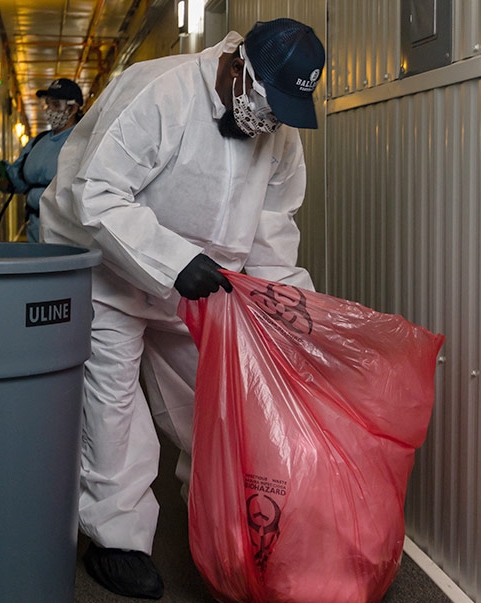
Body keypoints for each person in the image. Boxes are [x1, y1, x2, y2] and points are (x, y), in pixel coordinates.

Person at [40, 18, 325, 599]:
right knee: (112, 403)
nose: (268, 125)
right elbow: (97, 194)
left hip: (202, 285)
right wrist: (172, 260)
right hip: (107, 268)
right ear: (235, 66)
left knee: (213, 403)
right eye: (267, 108)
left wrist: (288, 306)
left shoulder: (278, 132)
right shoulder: (159, 91)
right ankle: (117, 541)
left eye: (282, 116)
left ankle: (225, 524)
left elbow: (274, 227)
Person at [0, 78, 83, 242]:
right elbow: (19, 180)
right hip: (35, 227)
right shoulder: (37, 142)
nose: (49, 109)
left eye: (56, 104)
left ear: (72, 108)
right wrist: (2, 173)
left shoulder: (82, 143)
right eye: (48, 103)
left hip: (67, 230)